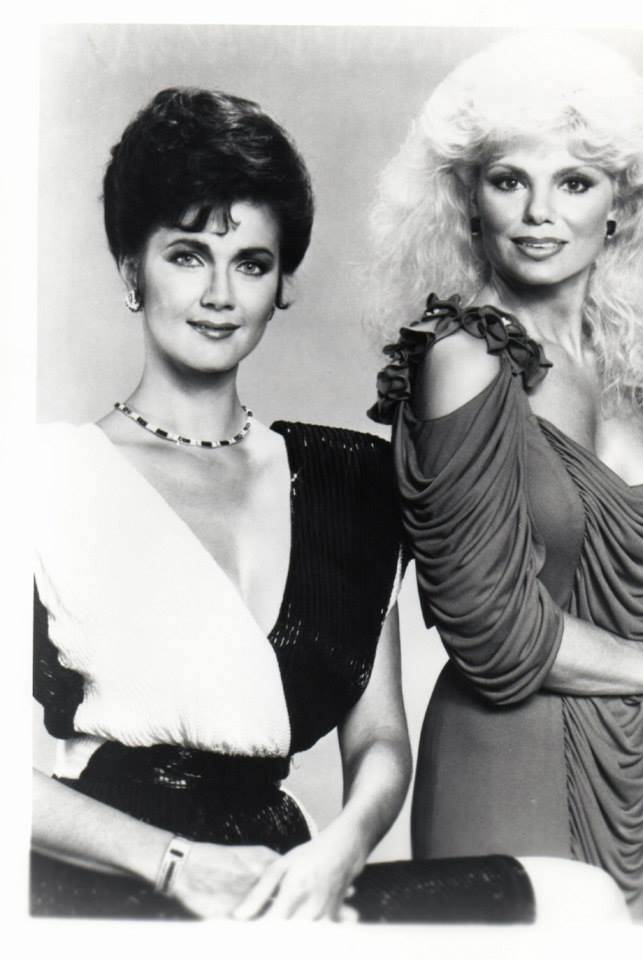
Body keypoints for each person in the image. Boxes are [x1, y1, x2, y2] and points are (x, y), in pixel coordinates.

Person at [32, 86, 412, 921]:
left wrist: (341, 849)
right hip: (103, 881)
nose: (219, 295)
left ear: (281, 285)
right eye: (187, 255)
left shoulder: (351, 479)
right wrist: (175, 866)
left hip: (284, 877)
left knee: (579, 900)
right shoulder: (44, 477)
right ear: (132, 270)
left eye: (251, 263)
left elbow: (381, 737)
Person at [368, 33, 643, 922]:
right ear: (469, 201)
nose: (538, 213)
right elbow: (492, 632)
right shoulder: (464, 358)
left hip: (641, 762)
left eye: (574, 182)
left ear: (621, 205)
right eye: (508, 180)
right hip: (507, 756)